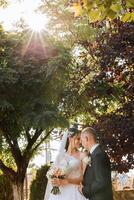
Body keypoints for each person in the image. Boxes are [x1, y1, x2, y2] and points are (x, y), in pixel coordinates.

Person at [44, 126, 87, 200]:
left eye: (81, 139)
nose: (80, 142)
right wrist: (54, 180)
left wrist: (67, 180)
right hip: (60, 192)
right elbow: (53, 173)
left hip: (74, 193)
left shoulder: (82, 155)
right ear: (70, 138)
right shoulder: (60, 156)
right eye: (78, 138)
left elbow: (82, 178)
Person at [79, 127, 113, 200]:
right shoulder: (95, 154)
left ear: (86, 138)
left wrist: (84, 190)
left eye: (81, 140)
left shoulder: (98, 155)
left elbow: (101, 181)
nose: (81, 143)